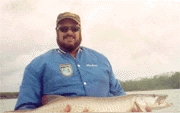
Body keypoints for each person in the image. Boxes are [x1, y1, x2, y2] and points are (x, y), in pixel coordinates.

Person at [14, 12, 151, 112]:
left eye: (74, 28)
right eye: (63, 28)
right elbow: (24, 107)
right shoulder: (37, 65)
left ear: (80, 31)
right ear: (56, 32)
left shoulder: (101, 60)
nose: (69, 32)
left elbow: (119, 96)